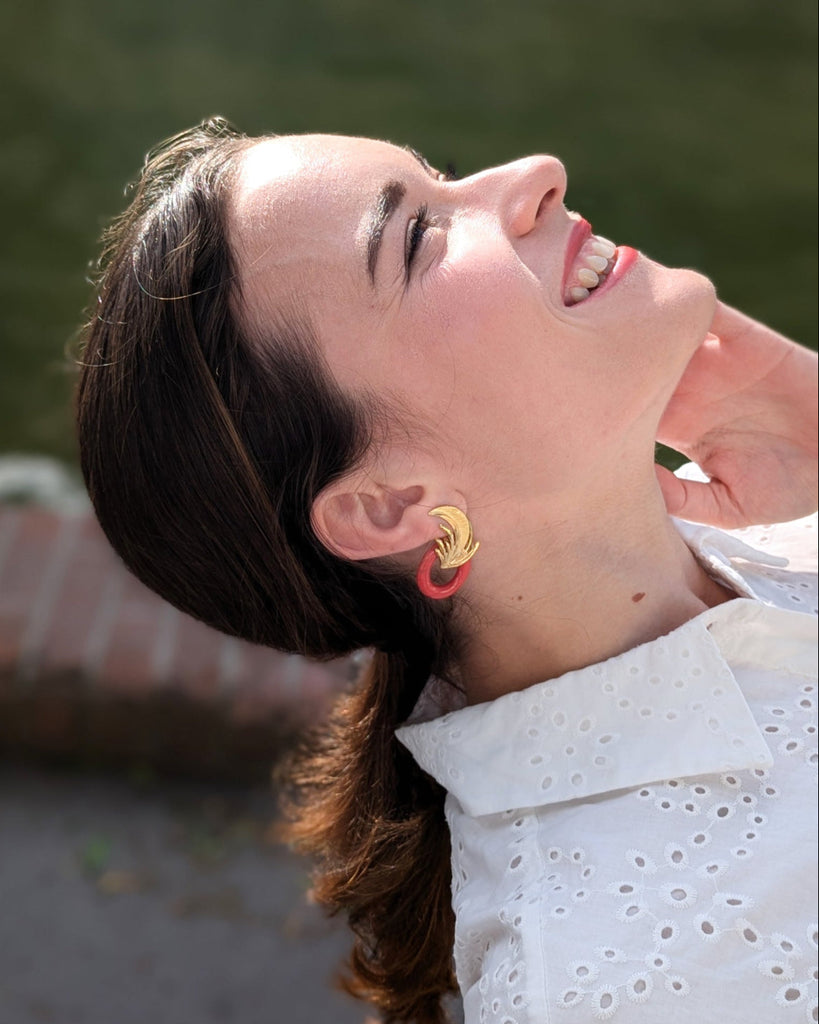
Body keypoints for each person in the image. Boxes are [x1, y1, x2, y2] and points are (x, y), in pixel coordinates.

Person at [76, 118, 818, 1024]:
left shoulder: (783, 505)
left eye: (445, 175)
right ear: (387, 505)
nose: (538, 171)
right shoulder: (624, 982)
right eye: (419, 236)